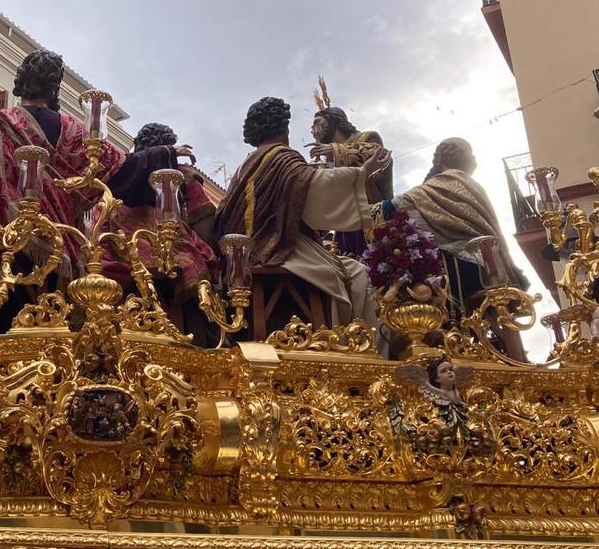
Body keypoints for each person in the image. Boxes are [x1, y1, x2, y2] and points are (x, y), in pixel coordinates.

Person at [0, 49, 191, 334]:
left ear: (20, 84)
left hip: (0, 246)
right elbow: (122, 169)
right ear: (55, 89)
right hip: (57, 248)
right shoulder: (73, 132)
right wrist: (164, 154)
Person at [215, 97, 389, 333]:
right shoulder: (282, 156)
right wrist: (363, 171)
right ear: (283, 127)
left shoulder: (245, 166)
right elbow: (315, 188)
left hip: (242, 253)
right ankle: (346, 339)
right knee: (356, 274)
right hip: (276, 246)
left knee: (346, 268)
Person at [380, 138, 528, 361]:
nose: (474, 158)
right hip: (487, 265)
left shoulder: (451, 180)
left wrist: (380, 208)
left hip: (468, 267)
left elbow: (401, 205)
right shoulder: (453, 183)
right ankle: (514, 358)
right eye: (468, 152)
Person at [97, 122, 217, 344]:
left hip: (122, 251)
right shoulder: (181, 176)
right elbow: (204, 221)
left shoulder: (119, 175)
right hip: (167, 253)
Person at [309, 106, 391, 257]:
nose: (313, 129)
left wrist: (335, 150)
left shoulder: (367, 137)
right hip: (345, 226)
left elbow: (379, 154)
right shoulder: (326, 162)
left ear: (333, 122)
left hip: (373, 216)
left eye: (318, 122)